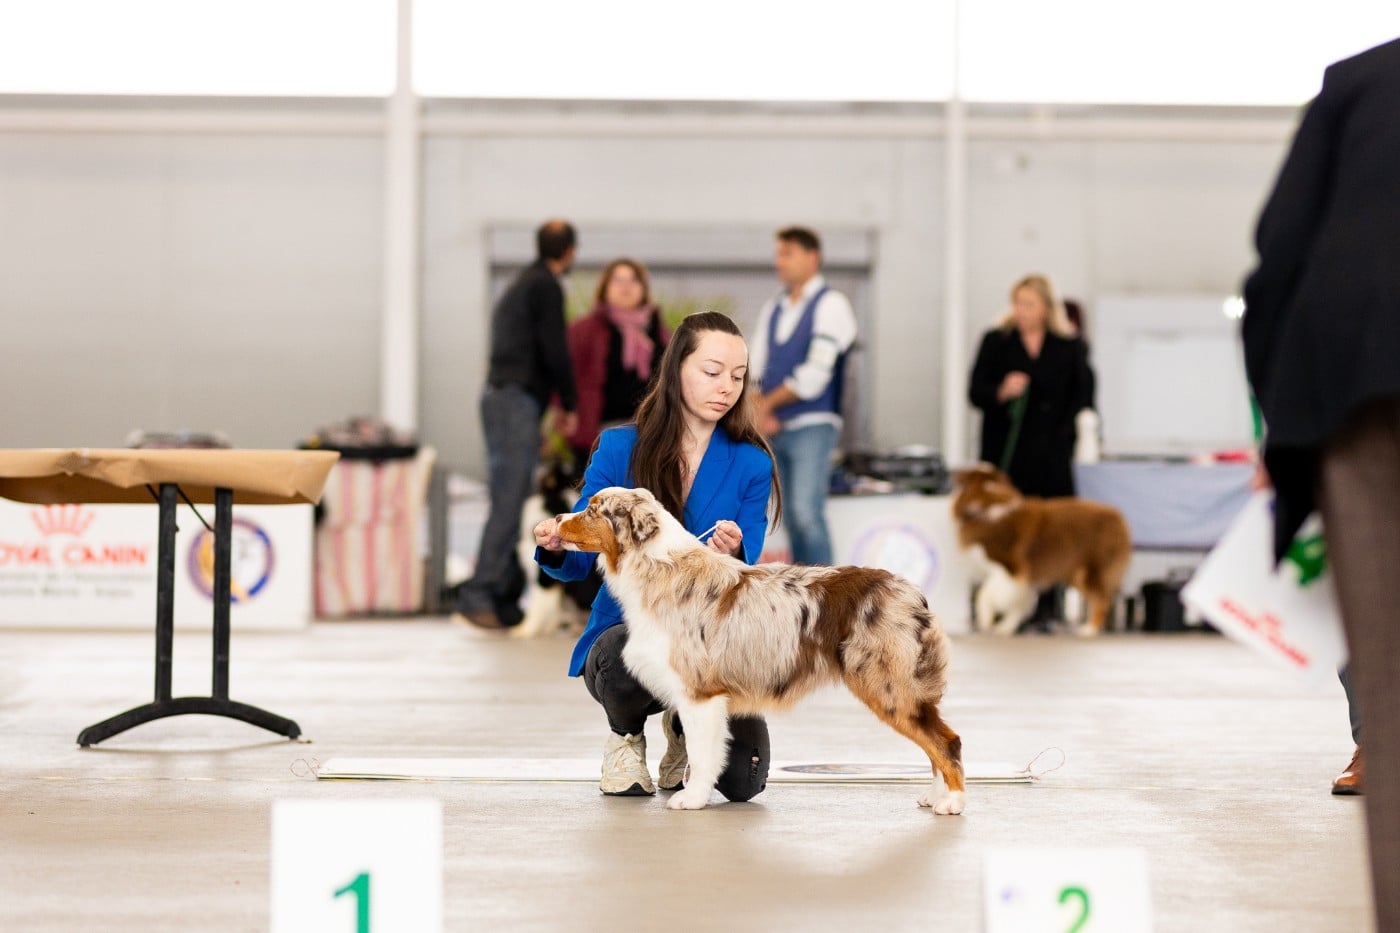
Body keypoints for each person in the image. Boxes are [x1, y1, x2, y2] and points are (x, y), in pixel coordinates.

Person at [1240, 37, 1400, 930]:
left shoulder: (1361, 81)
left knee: (1393, 681)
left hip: (1363, 398)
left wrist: (1288, 439)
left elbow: (1276, 271)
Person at [532, 311, 782, 800]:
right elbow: (585, 553)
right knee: (623, 656)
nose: (727, 387)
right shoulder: (619, 447)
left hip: (713, 640)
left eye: (738, 376)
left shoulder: (751, 460)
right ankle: (625, 739)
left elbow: (748, 563)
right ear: (676, 371)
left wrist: (734, 553)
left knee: (743, 782)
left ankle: (683, 726)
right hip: (631, 630)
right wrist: (559, 543)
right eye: (712, 372)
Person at [455, 220, 580, 631]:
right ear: (570, 252)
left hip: (504, 398)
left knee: (511, 495)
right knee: (510, 500)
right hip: (515, 400)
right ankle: (480, 593)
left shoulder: (521, 283)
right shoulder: (545, 285)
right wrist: (568, 402)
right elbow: (554, 348)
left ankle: (504, 598)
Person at [969, 275, 1094, 631]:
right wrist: (1003, 390)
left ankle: (1048, 607)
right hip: (1008, 451)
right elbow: (976, 392)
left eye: (1029, 304)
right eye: (1017, 303)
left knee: (1053, 531)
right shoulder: (997, 341)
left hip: (1052, 453)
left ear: (1046, 308)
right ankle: (1010, 605)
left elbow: (1084, 393)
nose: (1021, 311)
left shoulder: (1069, 346)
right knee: (1010, 531)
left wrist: (1074, 432)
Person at [750, 226, 857, 566]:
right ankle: (806, 598)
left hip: (814, 423)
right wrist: (757, 408)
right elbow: (756, 368)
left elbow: (816, 374)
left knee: (806, 512)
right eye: (778, 253)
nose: (779, 261)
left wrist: (766, 404)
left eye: (787, 253)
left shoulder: (833, 304)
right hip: (774, 426)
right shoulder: (775, 307)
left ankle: (831, 598)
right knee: (791, 518)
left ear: (813, 257)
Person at [562, 257, 670, 468]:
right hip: (599, 435)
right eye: (618, 280)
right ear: (605, 288)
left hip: (650, 436)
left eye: (633, 280)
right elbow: (563, 375)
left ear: (643, 289)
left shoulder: (659, 331)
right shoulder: (585, 330)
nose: (625, 287)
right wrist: (565, 412)